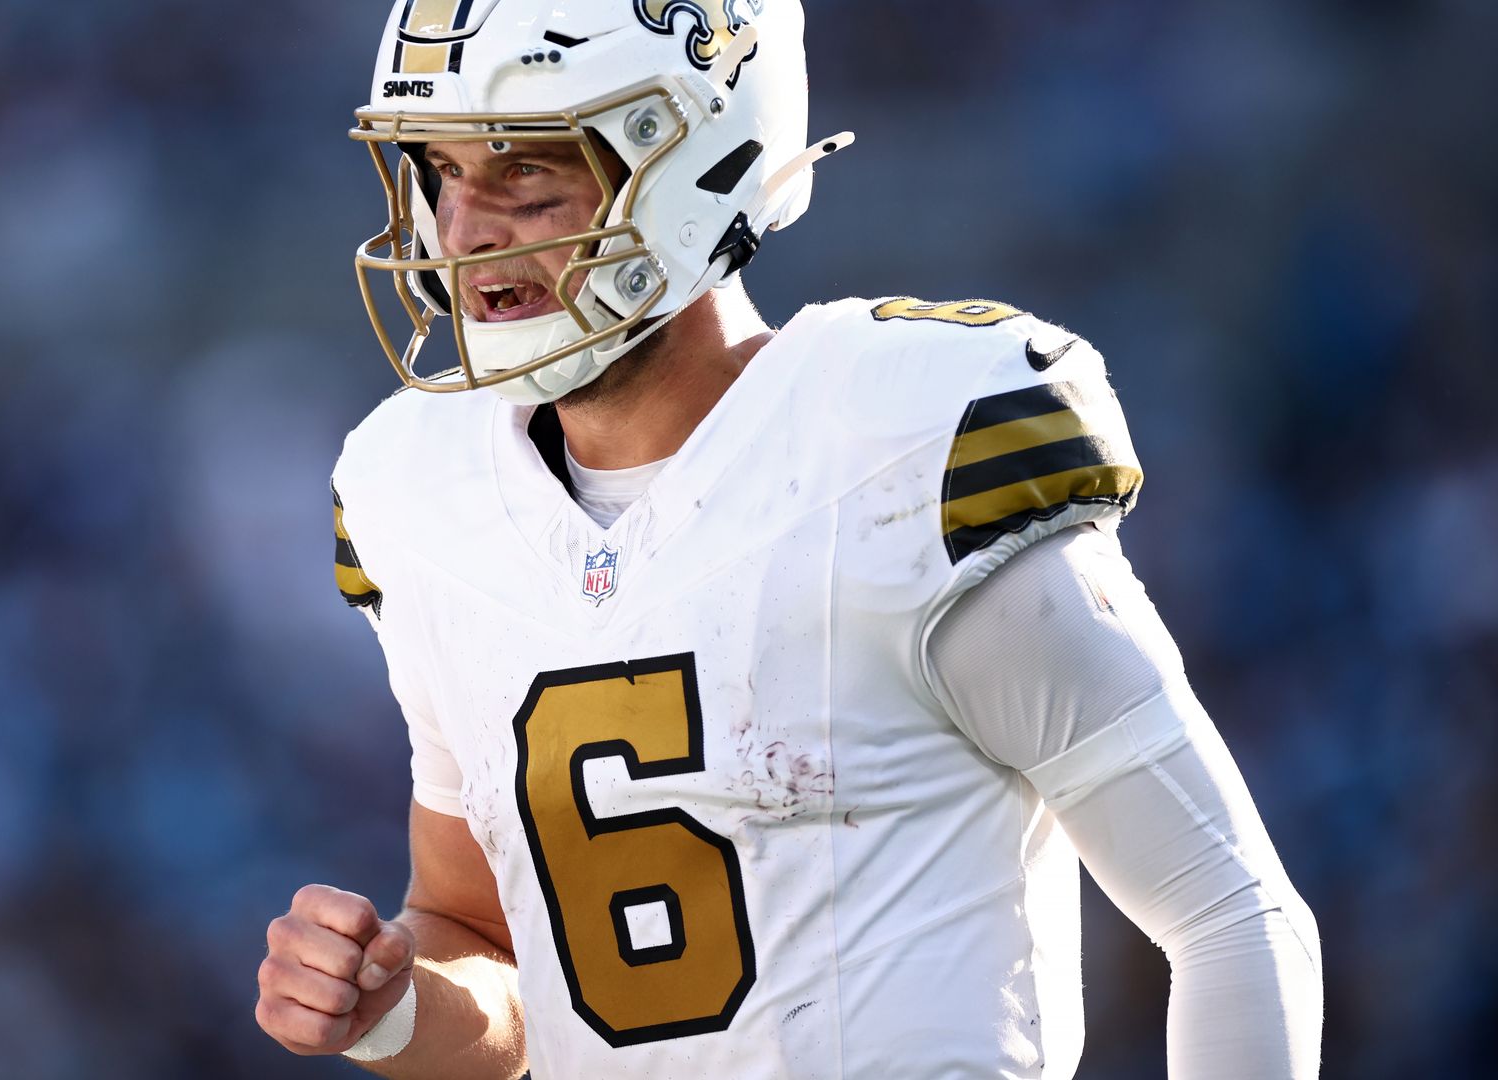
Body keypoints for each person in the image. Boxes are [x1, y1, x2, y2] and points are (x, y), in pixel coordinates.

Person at [256, 1, 1323, 1076]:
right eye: (438, 171)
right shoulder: (423, 497)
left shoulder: (897, 450)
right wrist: (390, 1005)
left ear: (693, 159)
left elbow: (1229, 914)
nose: (465, 228)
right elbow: (493, 955)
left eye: (524, 170)